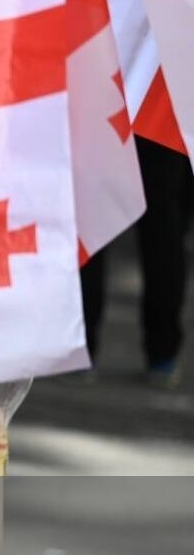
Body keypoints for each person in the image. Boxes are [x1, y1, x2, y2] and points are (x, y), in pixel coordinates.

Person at [81, 136, 193, 388]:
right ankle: (163, 354)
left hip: (102, 101)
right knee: (164, 218)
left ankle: (82, 346)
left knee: (90, 209)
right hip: (162, 105)